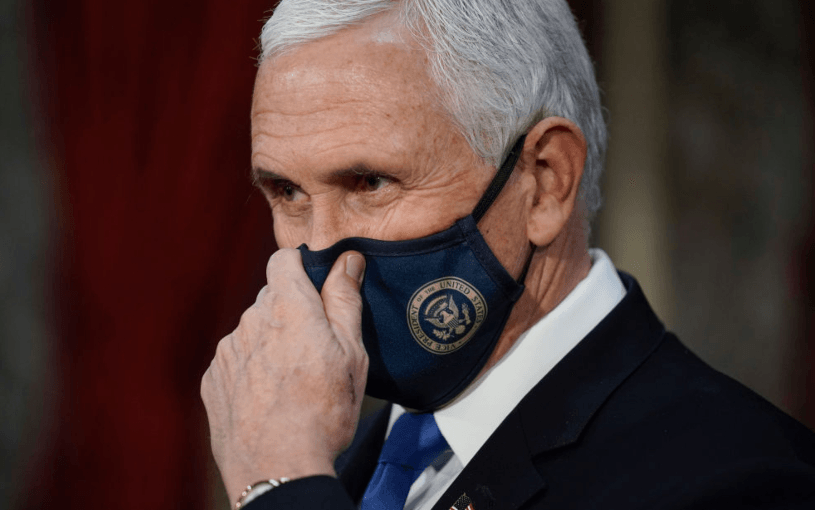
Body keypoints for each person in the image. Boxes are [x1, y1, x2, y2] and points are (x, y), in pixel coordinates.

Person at [200, 1, 815, 509]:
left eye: (370, 183)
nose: (318, 250)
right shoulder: (344, 455)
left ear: (545, 182)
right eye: (287, 192)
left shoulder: (744, 482)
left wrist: (279, 483)